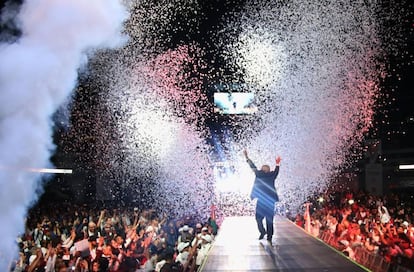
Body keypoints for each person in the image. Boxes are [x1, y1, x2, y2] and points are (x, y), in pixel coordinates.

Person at [244, 150, 281, 244]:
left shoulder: (270, 175)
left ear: (267, 169)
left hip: (269, 201)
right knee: (258, 218)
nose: (262, 168)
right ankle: (263, 232)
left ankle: (269, 235)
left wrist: (277, 164)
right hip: (263, 200)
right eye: (262, 168)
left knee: (269, 219)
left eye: (264, 168)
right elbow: (253, 166)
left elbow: (276, 171)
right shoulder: (259, 174)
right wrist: (247, 158)